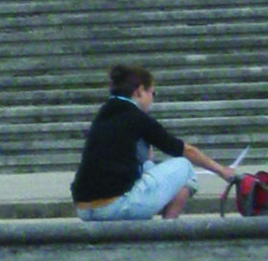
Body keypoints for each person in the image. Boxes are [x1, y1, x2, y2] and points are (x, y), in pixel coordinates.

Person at [72, 64, 237, 222]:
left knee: (149, 166)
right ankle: (168, 230)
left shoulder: (104, 115)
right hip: (115, 206)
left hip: (84, 208)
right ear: (139, 91)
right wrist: (222, 171)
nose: (152, 99)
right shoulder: (137, 117)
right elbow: (185, 150)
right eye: (152, 93)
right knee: (185, 167)